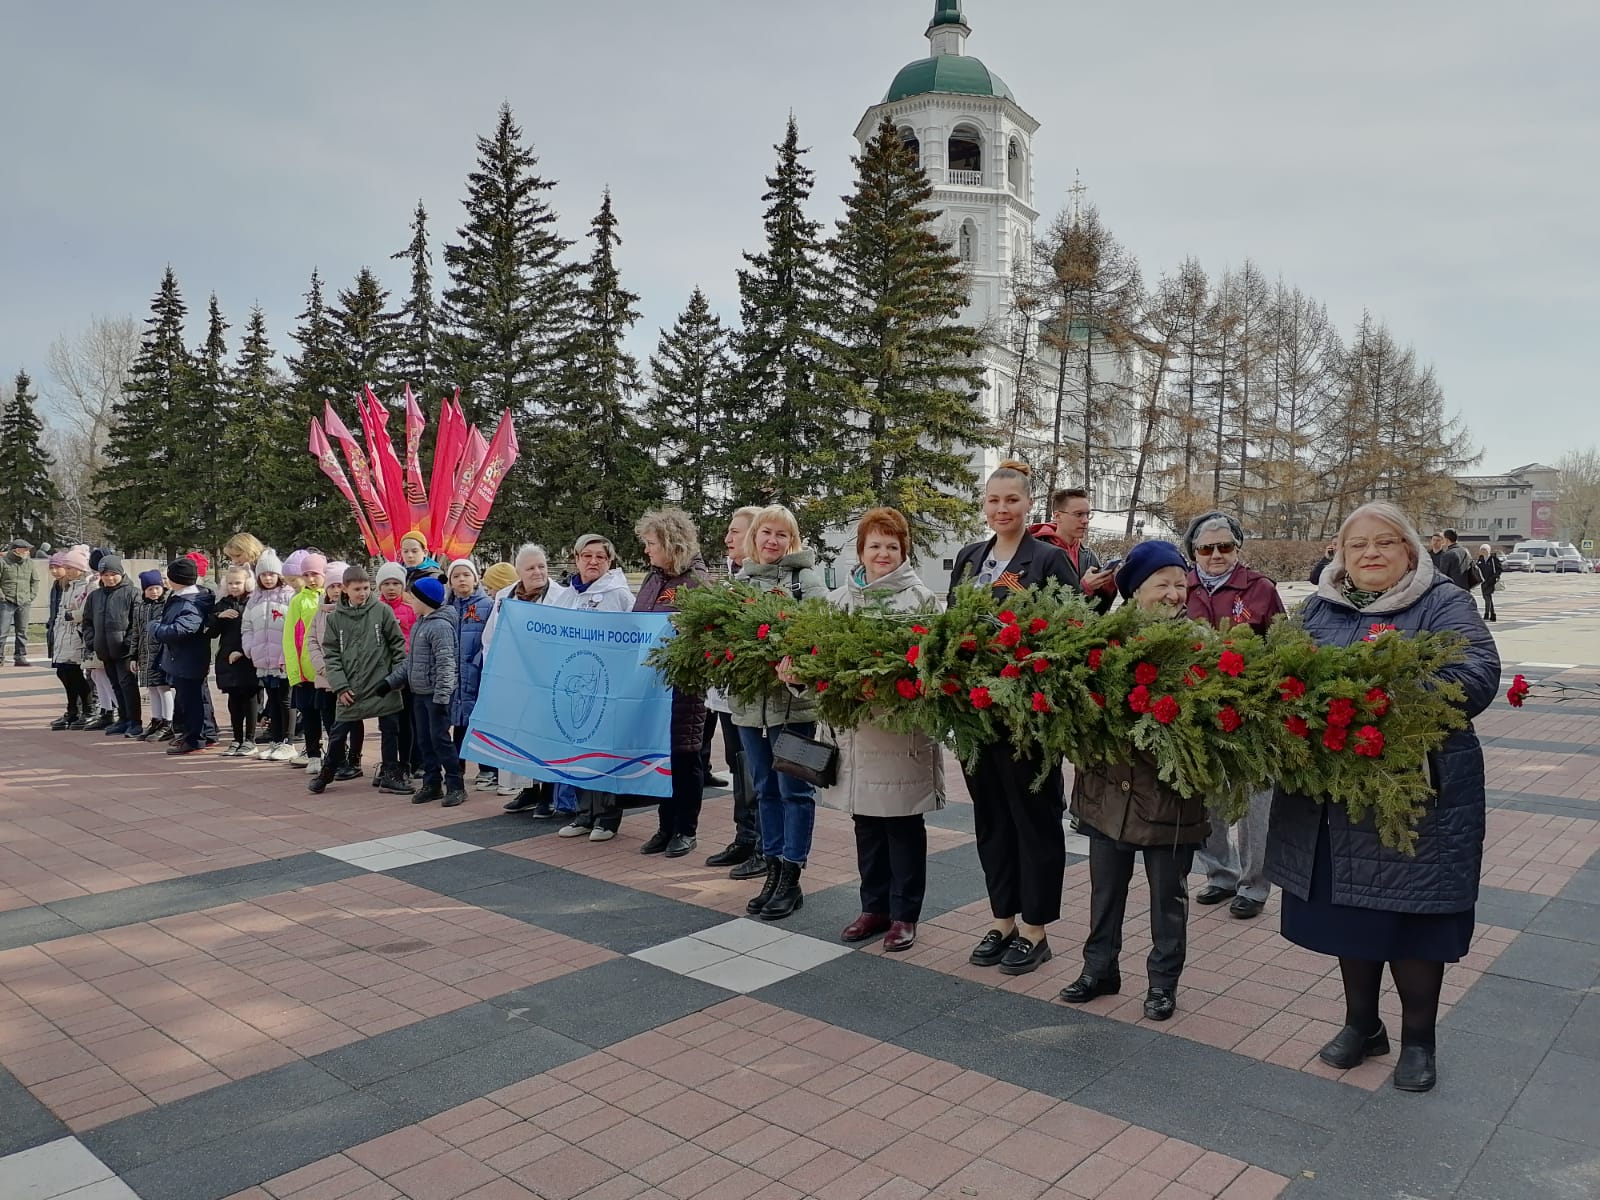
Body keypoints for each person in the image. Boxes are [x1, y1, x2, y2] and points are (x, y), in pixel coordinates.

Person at [1266, 502, 1499, 1093]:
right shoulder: (1319, 605)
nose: (1369, 553)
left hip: (1414, 794)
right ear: (1340, 555)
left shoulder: (1442, 600)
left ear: (1410, 549)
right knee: (1352, 913)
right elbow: (1279, 671)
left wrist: (1384, 695)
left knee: (1413, 921)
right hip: (1334, 796)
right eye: (1356, 545)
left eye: (1385, 542)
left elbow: (1477, 672)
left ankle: (1420, 1039)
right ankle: (1363, 1025)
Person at [1060, 540, 1211, 1021]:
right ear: (1134, 589)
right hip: (1105, 792)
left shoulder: (1200, 645)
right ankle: (1099, 969)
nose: (1173, 594)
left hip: (1170, 799)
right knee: (1104, 891)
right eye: (1162, 584)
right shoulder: (1103, 641)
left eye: (1179, 584)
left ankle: (1163, 982)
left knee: (1168, 897)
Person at [796, 508, 944, 953]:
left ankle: (904, 915)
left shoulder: (921, 602)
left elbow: (934, 671)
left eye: (892, 546)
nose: (883, 553)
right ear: (860, 550)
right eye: (875, 545)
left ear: (904, 552)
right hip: (854, 737)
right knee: (867, 828)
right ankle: (873, 907)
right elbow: (817, 662)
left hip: (900, 736)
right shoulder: (841, 601)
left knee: (901, 828)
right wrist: (798, 673)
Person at [949, 461, 1077, 975]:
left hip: (1027, 719)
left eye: (1012, 501)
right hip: (977, 715)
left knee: (1034, 821)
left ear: (1030, 505)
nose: (1002, 509)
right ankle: (1002, 918)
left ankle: (1035, 929)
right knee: (992, 819)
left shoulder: (1046, 560)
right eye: (993, 501)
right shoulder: (969, 558)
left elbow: (1071, 634)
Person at [1181, 511, 1288, 919]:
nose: (1215, 555)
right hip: (1203, 713)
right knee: (1210, 800)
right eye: (1206, 548)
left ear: (1237, 548)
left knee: (1256, 803)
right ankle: (1219, 875)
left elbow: (1283, 643)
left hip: (1252, 713)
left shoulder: (1260, 588)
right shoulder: (1183, 586)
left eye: (1225, 546)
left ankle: (1255, 884)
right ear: (1193, 552)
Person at [731, 505, 828, 920]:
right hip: (751, 708)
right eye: (766, 533)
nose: (773, 541)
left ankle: (792, 874)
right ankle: (771, 868)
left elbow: (823, 634)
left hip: (795, 706)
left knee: (795, 791)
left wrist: (798, 662)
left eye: (782, 535)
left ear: (793, 541)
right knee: (764, 788)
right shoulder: (740, 582)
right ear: (754, 537)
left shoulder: (804, 580)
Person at [632, 508, 711, 859]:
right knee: (660, 757)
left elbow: (706, 634)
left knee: (684, 757)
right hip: (652, 686)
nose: (646, 550)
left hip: (683, 687)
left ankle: (686, 828)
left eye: (651, 544)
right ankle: (664, 826)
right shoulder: (652, 579)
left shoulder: (696, 582)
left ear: (670, 544)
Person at [549, 535, 636, 841]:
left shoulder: (619, 596)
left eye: (600, 556)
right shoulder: (566, 595)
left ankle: (607, 818)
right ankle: (583, 814)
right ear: (576, 558)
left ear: (609, 562)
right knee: (578, 748)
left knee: (602, 751)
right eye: (587, 556)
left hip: (605, 684)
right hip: (574, 682)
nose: (593, 561)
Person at [483, 545, 567, 812]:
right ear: (519, 572)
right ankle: (528, 790)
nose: (538, 572)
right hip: (516, 679)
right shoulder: (504, 597)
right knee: (521, 737)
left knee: (547, 738)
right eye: (530, 568)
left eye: (541, 566)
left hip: (548, 680)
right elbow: (491, 637)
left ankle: (548, 795)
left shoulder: (561, 597)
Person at [705, 505, 765, 876]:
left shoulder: (761, 583)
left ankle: (763, 843)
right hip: (727, 696)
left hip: (755, 697)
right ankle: (744, 836)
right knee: (736, 764)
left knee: (758, 769)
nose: (727, 539)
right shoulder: (730, 579)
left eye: (735, 532)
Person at [316, 565, 408, 795]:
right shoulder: (335, 618)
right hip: (351, 686)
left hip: (382, 683)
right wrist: (340, 685)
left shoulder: (382, 611)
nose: (362, 593)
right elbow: (331, 654)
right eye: (357, 589)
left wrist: (395, 678)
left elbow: (398, 646)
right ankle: (328, 770)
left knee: (390, 730)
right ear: (345, 589)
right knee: (338, 731)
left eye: (366, 588)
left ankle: (390, 773)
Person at [379, 574, 463, 807]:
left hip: (436, 697)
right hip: (419, 693)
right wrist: (390, 682)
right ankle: (432, 783)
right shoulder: (420, 624)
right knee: (424, 741)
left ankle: (456, 785)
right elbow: (411, 662)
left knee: (440, 740)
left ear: (425, 600)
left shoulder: (440, 626)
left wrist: (441, 696)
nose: (410, 600)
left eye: (413, 597)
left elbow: (447, 663)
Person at [151, 557, 215, 755]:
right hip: (182, 656)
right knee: (196, 697)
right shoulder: (180, 596)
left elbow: (183, 629)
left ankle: (195, 739)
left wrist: (155, 628)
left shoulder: (191, 601)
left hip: (188, 657)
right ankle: (206, 733)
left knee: (192, 700)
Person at [309, 563, 363, 781]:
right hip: (325, 677)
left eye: (340, 585)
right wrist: (322, 667)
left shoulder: (353, 612)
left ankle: (354, 758)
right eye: (332, 586)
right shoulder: (320, 612)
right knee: (330, 720)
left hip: (347, 677)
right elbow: (312, 641)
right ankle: (337, 759)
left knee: (352, 719)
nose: (335, 590)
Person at [445, 559, 494, 793]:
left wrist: (477, 663)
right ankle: (457, 768)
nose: (462, 579)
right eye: (456, 576)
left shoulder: (487, 605)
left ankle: (487, 770)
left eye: (466, 575)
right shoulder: (447, 607)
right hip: (454, 675)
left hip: (478, 673)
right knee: (458, 723)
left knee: (480, 721)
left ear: (476, 579)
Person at [243, 549, 296, 761]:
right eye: (263, 575)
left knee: (286, 700)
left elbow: (293, 627)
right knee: (272, 700)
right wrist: (249, 647)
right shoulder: (254, 599)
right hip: (263, 659)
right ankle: (275, 740)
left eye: (271, 574)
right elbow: (246, 626)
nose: (267, 578)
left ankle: (289, 741)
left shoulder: (288, 597)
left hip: (283, 658)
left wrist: (287, 652)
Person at [81, 554, 141, 736]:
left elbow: (136, 622)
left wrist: (129, 644)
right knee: (115, 685)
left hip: (124, 650)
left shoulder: (132, 593)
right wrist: (92, 641)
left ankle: (134, 721)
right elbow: (87, 621)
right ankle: (122, 718)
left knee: (128, 686)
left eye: (113, 574)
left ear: (121, 573)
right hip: (104, 650)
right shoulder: (95, 596)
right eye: (105, 575)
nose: (109, 578)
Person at [1034, 489, 1117, 611]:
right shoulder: (1037, 553)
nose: (1085, 521)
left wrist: (1108, 587)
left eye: (1088, 514)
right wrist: (1084, 588)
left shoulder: (1089, 556)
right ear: (1057, 516)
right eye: (1078, 514)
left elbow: (1098, 613)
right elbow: (1034, 604)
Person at [283, 551, 328, 771]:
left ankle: (338, 753)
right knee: (310, 715)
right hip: (307, 671)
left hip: (328, 671)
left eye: (315, 574)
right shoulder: (298, 601)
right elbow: (290, 637)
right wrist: (294, 672)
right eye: (307, 574)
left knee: (331, 716)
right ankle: (313, 755)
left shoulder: (331, 597)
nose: (311, 579)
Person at [375, 560, 418, 788]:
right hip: (383, 678)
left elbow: (413, 641)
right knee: (387, 725)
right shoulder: (374, 610)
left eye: (395, 583)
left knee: (406, 723)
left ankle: (406, 764)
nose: (391, 588)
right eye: (386, 583)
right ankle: (388, 765)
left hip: (406, 675)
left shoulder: (411, 610)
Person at [208, 565, 259, 756]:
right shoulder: (223, 603)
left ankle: (250, 738)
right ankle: (237, 739)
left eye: (237, 582)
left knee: (250, 697)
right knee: (233, 699)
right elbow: (211, 632)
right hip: (227, 657)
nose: (234, 586)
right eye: (230, 583)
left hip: (247, 657)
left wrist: (243, 651)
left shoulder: (253, 602)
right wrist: (218, 617)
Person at [48, 547, 94, 730]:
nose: (65, 572)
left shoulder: (88, 585)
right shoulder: (67, 586)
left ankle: (88, 709)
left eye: (69, 568)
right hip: (63, 635)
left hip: (77, 636)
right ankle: (72, 709)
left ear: (79, 568)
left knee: (74, 674)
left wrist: (72, 616)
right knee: (63, 672)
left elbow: (85, 611)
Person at [129, 570, 173, 741]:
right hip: (145, 654)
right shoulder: (140, 608)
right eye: (150, 589)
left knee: (164, 687)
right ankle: (156, 719)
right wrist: (133, 656)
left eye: (157, 588)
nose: (154, 592)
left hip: (162, 654)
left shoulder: (166, 606)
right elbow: (136, 633)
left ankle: (168, 722)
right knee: (152, 688)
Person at [0, 536, 37, 666]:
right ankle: (0, 657)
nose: (27, 552)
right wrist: (2, 596)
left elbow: (35, 581)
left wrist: (31, 596)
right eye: (25, 549)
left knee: (22, 631)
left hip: (24, 601)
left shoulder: (29, 563)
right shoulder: (3, 562)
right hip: (6, 601)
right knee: (2, 631)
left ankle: (20, 656)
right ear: (16, 550)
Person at [1476, 543, 1501, 622]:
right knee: (1487, 597)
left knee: (1487, 596)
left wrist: (1495, 577)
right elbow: (1477, 569)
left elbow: (1499, 569)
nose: (1483, 551)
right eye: (1482, 550)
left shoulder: (1493, 559)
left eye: (1485, 550)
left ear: (1488, 550)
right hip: (1483, 581)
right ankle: (1493, 614)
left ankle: (1487, 614)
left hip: (1491, 581)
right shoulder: (1480, 560)